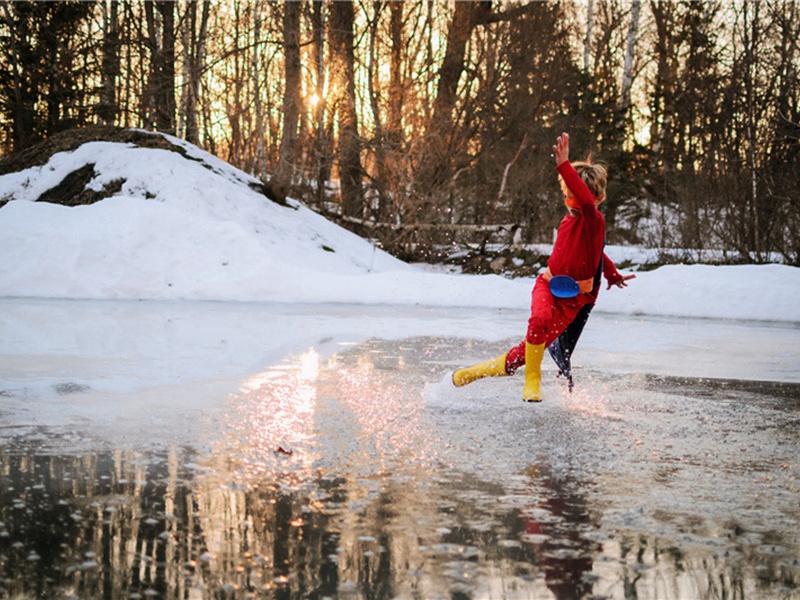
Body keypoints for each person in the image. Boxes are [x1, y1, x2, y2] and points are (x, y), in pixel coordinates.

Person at [452, 133, 635, 401]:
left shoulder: (593, 220)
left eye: (572, 196)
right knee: (539, 320)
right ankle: (532, 381)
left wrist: (564, 165)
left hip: (572, 300)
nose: (568, 201)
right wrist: (611, 272)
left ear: (594, 198)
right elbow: (598, 255)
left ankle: (470, 374)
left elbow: (588, 215)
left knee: (523, 353)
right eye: (565, 195)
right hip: (547, 284)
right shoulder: (569, 221)